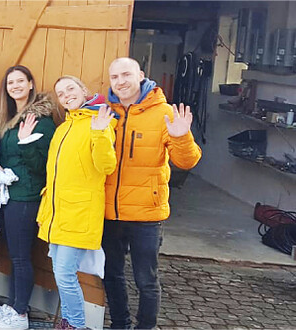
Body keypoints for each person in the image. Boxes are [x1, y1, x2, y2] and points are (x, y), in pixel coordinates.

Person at [102, 57, 201, 330]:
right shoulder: (104, 112)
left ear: (141, 75)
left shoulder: (164, 112)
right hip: (110, 212)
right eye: (114, 77)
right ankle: (119, 324)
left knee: (146, 280)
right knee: (111, 275)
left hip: (147, 214)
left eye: (126, 75)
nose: (121, 82)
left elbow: (187, 162)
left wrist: (182, 136)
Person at [36, 75, 117, 330]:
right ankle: (69, 321)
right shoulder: (63, 128)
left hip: (80, 213)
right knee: (62, 273)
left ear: (83, 90)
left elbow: (106, 165)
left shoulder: (100, 121)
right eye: (61, 93)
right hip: (58, 212)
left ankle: (77, 325)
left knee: (64, 274)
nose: (66, 95)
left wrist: (101, 133)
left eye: (71, 88)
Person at [0, 66, 61, 330]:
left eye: (20, 81)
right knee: (13, 254)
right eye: (10, 82)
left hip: (26, 197)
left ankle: (19, 315)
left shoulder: (43, 121)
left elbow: (42, 166)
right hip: (8, 196)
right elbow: (7, 154)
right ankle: (15, 305)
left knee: (20, 257)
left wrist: (27, 142)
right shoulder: (9, 116)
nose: (15, 86)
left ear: (31, 84)